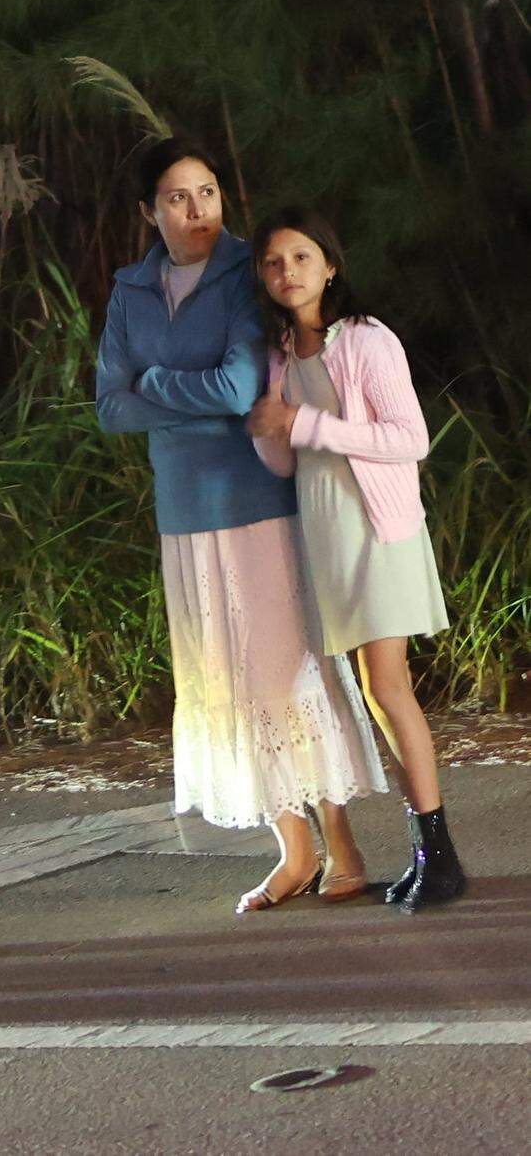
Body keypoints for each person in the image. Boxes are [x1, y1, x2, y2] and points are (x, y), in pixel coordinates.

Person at [96, 138, 386, 913]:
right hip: (184, 511)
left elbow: (235, 387)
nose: (196, 211)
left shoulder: (242, 272)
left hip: (254, 498)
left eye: (208, 192)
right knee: (224, 678)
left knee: (284, 671)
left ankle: (344, 847)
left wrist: (155, 381)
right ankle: (292, 851)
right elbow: (108, 405)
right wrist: (162, 391)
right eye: (177, 198)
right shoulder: (131, 289)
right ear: (149, 211)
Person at [248, 207, 466, 912]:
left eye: (302, 258)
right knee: (378, 693)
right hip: (329, 538)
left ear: (330, 264)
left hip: (379, 530)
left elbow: (411, 436)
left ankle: (439, 853)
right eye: (276, 262)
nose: (289, 272)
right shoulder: (281, 351)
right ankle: (429, 852)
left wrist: (304, 421)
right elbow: (284, 457)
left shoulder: (366, 338)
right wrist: (269, 422)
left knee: (389, 689)